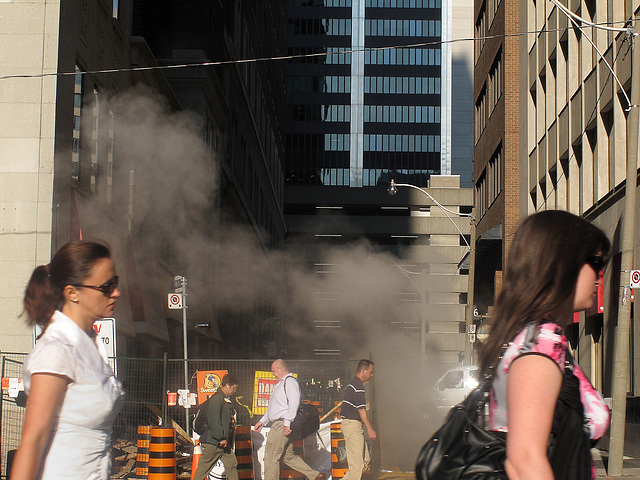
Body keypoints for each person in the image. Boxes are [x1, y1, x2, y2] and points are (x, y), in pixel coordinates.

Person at [479, 210, 611, 480]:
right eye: (595, 262)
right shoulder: (539, 347)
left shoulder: (539, 339)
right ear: (563, 264)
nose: (600, 275)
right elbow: (525, 462)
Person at [10, 240, 125, 480]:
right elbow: (33, 440)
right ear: (72, 293)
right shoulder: (58, 349)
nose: (116, 292)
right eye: (106, 286)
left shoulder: (89, 343)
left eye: (115, 282)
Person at [254, 359, 324, 480]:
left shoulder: (289, 382)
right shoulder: (282, 383)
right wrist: (262, 421)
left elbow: (294, 403)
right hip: (282, 424)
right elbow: (275, 409)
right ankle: (315, 475)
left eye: (274, 371)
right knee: (288, 457)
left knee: (271, 458)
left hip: (281, 425)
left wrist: (287, 423)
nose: (273, 374)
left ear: (281, 369)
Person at [193, 374, 240, 480]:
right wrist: (221, 437)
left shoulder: (222, 399)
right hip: (214, 442)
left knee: (231, 464)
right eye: (234, 388)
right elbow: (214, 420)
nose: (234, 391)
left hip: (221, 443)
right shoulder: (217, 399)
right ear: (227, 385)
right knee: (203, 469)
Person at [340, 359, 376, 480]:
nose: (372, 375)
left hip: (351, 426)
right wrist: (370, 429)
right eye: (371, 372)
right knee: (357, 466)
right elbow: (361, 410)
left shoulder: (353, 384)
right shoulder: (358, 386)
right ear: (364, 371)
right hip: (353, 426)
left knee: (365, 460)